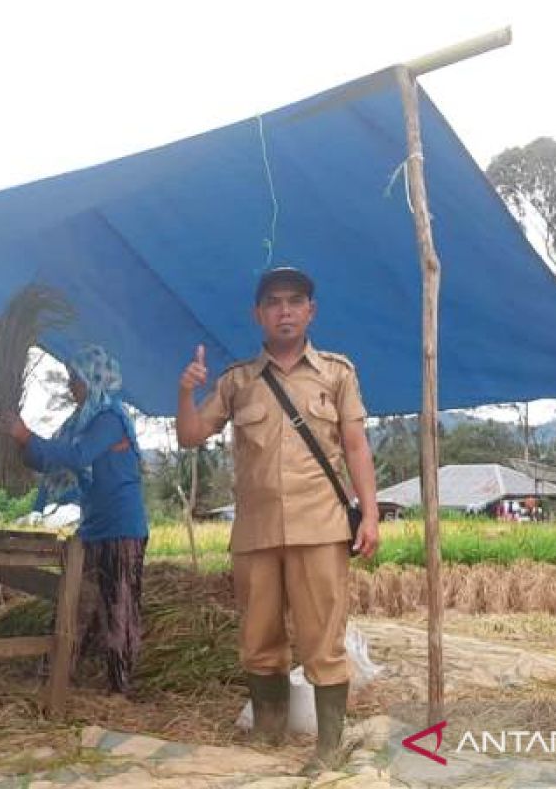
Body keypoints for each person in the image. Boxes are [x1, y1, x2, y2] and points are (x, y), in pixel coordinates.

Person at [175, 266, 379, 773]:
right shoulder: (238, 381)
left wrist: (370, 514)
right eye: (273, 302)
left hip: (321, 528)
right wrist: (186, 391)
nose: (284, 310)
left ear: (310, 310)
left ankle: (328, 746)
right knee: (259, 638)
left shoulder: (337, 373)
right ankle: (268, 731)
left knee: (322, 639)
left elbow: (355, 446)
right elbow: (191, 435)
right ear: (258, 314)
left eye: (294, 301)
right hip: (257, 532)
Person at [0, 345, 149, 697]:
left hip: (121, 527)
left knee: (119, 606)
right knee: (74, 600)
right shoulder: (79, 421)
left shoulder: (109, 418)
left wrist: (26, 435)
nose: (70, 387)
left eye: (75, 379)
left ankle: (119, 689)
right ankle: (58, 676)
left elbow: (78, 456)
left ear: (94, 378)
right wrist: (20, 441)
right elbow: (51, 457)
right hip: (93, 526)